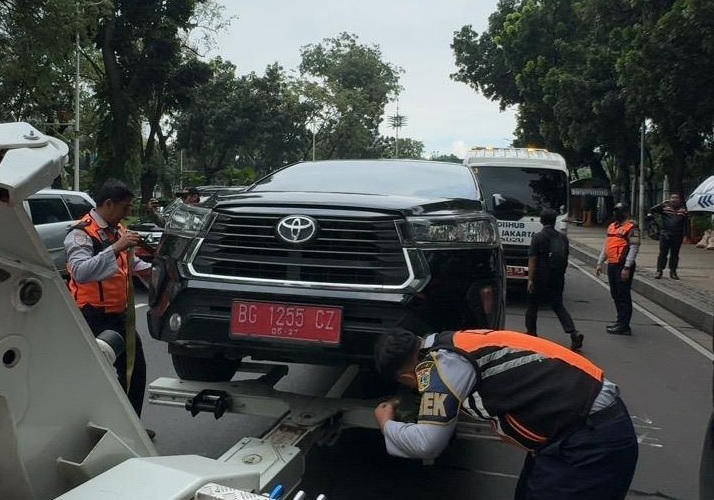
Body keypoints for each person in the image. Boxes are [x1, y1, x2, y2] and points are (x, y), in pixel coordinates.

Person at [373, 328, 638, 500]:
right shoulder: (453, 342)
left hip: (589, 442)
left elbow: (426, 443)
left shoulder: (438, 365)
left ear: (407, 375)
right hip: (583, 429)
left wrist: (386, 424)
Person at [64, 179, 153, 430]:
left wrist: (157, 273)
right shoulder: (81, 232)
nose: (127, 214)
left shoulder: (119, 230)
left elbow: (132, 264)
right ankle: (91, 427)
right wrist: (115, 248)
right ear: (109, 204)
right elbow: (80, 272)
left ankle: (131, 428)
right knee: (96, 377)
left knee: (134, 372)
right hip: (92, 316)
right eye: (125, 208)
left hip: (120, 315)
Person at [525, 208, 583, 350]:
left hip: (541, 276)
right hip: (557, 276)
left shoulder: (538, 237)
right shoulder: (562, 238)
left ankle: (531, 333)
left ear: (541, 220)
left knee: (533, 305)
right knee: (558, 305)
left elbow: (533, 258)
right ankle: (573, 333)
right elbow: (566, 256)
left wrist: (530, 279)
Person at [595, 202, 640, 335]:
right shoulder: (611, 227)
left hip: (623, 265)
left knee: (623, 295)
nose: (616, 213)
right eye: (615, 211)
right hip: (612, 264)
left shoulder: (632, 228)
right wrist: (599, 263)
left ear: (626, 212)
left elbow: (634, 249)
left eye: (619, 211)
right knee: (615, 294)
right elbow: (606, 246)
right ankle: (620, 320)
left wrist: (627, 267)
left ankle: (624, 326)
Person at [651, 193, 688, 280]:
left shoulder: (683, 211)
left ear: (679, 200)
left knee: (675, 254)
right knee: (662, 254)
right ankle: (659, 270)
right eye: (672, 198)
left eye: (676, 198)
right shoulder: (665, 209)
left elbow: (686, 224)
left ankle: (673, 272)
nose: (674, 199)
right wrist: (662, 204)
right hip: (665, 235)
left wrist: (687, 235)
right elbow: (653, 210)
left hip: (677, 236)